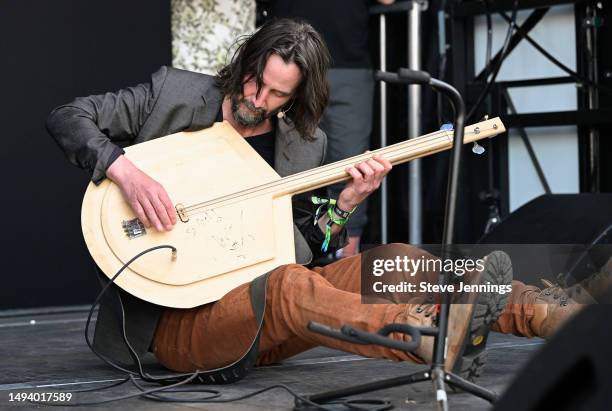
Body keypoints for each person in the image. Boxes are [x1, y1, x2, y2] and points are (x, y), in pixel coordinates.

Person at [46, 19, 583, 383]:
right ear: (245, 62)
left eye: (278, 94)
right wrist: (127, 172)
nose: (258, 100)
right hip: (176, 329)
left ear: (298, 96)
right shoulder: (174, 95)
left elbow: (308, 247)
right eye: (254, 82)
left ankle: (545, 311)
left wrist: (348, 200)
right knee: (288, 286)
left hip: (264, 314)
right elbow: (69, 116)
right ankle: (429, 335)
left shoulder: (306, 145)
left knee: (396, 259)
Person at [266, 0, 394, 258]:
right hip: (287, 62)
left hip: (347, 64)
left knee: (356, 169)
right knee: (283, 168)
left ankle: (344, 272)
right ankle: (280, 269)